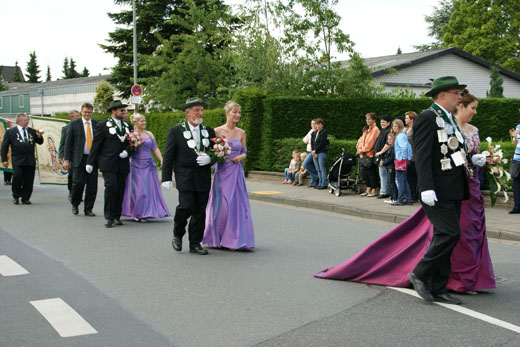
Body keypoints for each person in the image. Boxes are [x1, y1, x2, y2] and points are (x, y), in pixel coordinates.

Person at [315, 92, 495, 296]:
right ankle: (420, 273)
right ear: (444, 94)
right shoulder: (429, 117)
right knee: (449, 233)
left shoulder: (449, 120)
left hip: (456, 187)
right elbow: (423, 154)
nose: (459, 99)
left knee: (448, 236)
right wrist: (426, 187)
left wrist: (472, 160)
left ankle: (439, 287)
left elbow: (452, 152)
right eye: (456, 95)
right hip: (438, 188)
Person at [162, 97, 216, 255]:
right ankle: (177, 234)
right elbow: (169, 156)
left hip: (203, 176)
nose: (200, 113)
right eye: (196, 110)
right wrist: (166, 177)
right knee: (186, 206)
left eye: (201, 110)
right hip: (184, 176)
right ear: (188, 113)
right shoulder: (176, 131)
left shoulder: (209, 131)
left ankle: (195, 243)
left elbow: (216, 152)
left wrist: (210, 159)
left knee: (200, 210)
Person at [202, 101, 255, 250]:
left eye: (239, 112)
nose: (237, 115)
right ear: (227, 113)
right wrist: (217, 156)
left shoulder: (241, 133)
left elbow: (245, 151)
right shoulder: (217, 131)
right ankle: (217, 237)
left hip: (236, 172)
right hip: (222, 171)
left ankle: (235, 239)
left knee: (236, 204)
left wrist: (241, 157)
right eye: (234, 112)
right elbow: (210, 152)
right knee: (223, 204)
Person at [86, 100, 133, 228]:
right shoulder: (102, 126)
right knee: (111, 187)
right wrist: (90, 162)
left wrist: (127, 152)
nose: (124, 112)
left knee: (120, 189)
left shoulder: (128, 127)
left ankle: (117, 216)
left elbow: (133, 144)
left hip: (122, 163)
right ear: (113, 111)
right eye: (121, 110)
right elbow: (96, 146)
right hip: (108, 163)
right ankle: (109, 216)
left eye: (124, 110)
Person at [121, 113, 170, 222]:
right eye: (141, 121)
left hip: (149, 164)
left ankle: (147, 212)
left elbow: (155, 148)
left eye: (144, 121)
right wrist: (134, 145)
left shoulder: (149, 134)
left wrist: (162, 160)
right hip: (136, 164)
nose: (144, 123)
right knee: (139, 190)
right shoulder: (131, 135)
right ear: (135, 122)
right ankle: (137, 212)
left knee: (149, 189)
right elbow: (128, 149)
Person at [63, 104, 98, 216]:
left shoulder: (97, 125)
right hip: (78, 158)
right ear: (82, 112)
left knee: (92, 186)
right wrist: (66, 159)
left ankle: (88, 209)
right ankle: (75, 203)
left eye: (89, 112)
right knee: (78, 183)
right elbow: (68, 143)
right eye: (85, 112)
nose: (87, 114)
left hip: (92, 159)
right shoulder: (74, 124)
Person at [1, 113, 44, 204]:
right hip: (17, 159)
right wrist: (4, 159)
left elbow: (40, 142)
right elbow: (4, 146)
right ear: (19, 121)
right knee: (17, 177)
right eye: (25, 120)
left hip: (30, 159)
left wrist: (39, 135)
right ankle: (16, 195)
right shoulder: (11, 132)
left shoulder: (31, 131)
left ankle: (26, 197)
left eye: (27, 120)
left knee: (29, 180)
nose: (27, 121)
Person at [357, 113, 380, 197]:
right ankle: (368, 188)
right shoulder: (366, 130)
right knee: (364, 173)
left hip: (370, 154)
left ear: (374, 120)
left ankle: (374, 189)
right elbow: (361, 141)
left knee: (371, 173)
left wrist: (362, 150)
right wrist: (359, 149)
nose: (368, 120)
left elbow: (371, 143)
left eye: (369, 119)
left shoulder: (375, 130)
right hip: (363, 155)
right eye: (367, 119)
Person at [59, 110, 80, 201]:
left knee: (79, 176)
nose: (78, 117)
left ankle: (78, 193)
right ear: (71, 117)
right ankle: (71, 192)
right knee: (71, 175)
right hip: (70, 155)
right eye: (76, 116)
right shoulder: (66, 128)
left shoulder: (82, 127)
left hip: (79, 155)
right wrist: (61, 156)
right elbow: (63, 143)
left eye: (79, 115)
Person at [391, 119, 413, 206]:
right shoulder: (402, 135)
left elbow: (404, 148)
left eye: (395, 126)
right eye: (393, 126)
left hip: (401, 160)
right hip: (404, 160)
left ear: (400, 127)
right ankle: (408, 199)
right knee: (403, 180)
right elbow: (408, 147)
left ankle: (400, 199)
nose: (394, 128)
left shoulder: (400, 136)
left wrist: (402, 159)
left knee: (400, 180)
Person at [374, 115, 392, 199]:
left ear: (388, 122)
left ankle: (384, 192)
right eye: (381, 122)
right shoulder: (382, 130)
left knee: (384, 175)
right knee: (383, 175)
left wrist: (381, 156)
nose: (382, 123)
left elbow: (388, 144)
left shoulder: (388, 131)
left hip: (383, 156)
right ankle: (384, 191)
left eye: (384, 122)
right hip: (380, 156)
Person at [311, 118, 329, 190]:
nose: (318, 126)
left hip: (321, 152)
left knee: (322, 168)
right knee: (318, 169)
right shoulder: (314, 133)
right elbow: (312, 143)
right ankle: (320, 183)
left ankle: (323, 183)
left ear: (322, 125)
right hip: (314, 153)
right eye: (317, 124)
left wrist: (315, 151)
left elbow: (322, 143)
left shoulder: (323, 133)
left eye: (319, 124)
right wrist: (312, 151)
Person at [405, 111, 418, 202]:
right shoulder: (406, 129)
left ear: (412, 119)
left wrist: (414, 156)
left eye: (407, 118)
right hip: (407, 156)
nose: (405, 119)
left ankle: (414, 196)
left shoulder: (415, 130)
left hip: (413, 157)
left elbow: (416, 144)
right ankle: (409, 195)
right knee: (408, 177)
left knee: (413, 178)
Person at [381, 134, 397, 204]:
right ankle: (392, 197)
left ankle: (394, 198)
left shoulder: (393, 148)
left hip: (391, 167)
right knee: (390, 183)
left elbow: (391, 158)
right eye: (388, 139)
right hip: (388, 167)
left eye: (391, 139)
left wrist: (383, 163)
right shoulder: (390, 148)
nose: (389, 141)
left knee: (392, 183)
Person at [303, 120, 319, 187]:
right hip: (308, 150)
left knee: (305, 164)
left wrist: (308, 140)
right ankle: (313, 182)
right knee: (311, 166)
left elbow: (312, 142)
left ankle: (317, 177)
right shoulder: (311, 131)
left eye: (314, 124)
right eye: (311, 124)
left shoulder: (317, 132)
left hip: (312, 151)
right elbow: (304, 140)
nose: (312, 125)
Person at [509, 124, 520, 214]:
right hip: (516, 159)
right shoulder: (518, 127)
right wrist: (515, 137)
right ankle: (517, 207)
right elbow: (515, 144)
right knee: (516, 183)